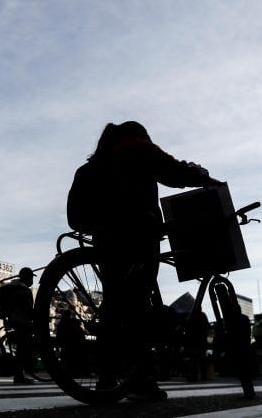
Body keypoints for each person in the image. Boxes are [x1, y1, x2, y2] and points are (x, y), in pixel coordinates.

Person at [82, 121, 221, 401]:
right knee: (137, 307)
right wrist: (204, 178)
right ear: (141, 136)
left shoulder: (98, 162)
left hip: (105, 239)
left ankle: (108, 380)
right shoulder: (136, 148)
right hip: (136, 236)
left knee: (115, 303)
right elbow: (173, 170)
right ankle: (140, 380)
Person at [0, 267, 37, 384]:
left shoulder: (12, 287)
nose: (32, 280)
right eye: (30, 277)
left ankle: (19, 374)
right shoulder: (24, 290)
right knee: (22, 349)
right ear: (26, 277)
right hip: (21, 321)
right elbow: (27, 308)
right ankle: (19, 376)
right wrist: (36, 316)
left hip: (13, 319)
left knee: (21, 348)